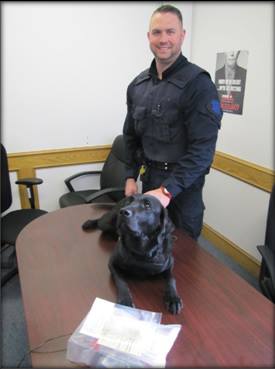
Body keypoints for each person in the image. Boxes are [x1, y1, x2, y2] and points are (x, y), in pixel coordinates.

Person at [122, 4, 222, 240]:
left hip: (183, 190)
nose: (163, 39)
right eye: (157, 32)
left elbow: (203, 151)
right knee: (146, 247)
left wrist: (167, 191)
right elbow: (130, 136)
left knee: (184, 261)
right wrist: (129, 176)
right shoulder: (138, 86)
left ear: (182, 35)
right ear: (149, 37)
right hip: (149, 183)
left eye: (170, 31)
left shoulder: (199, 85)